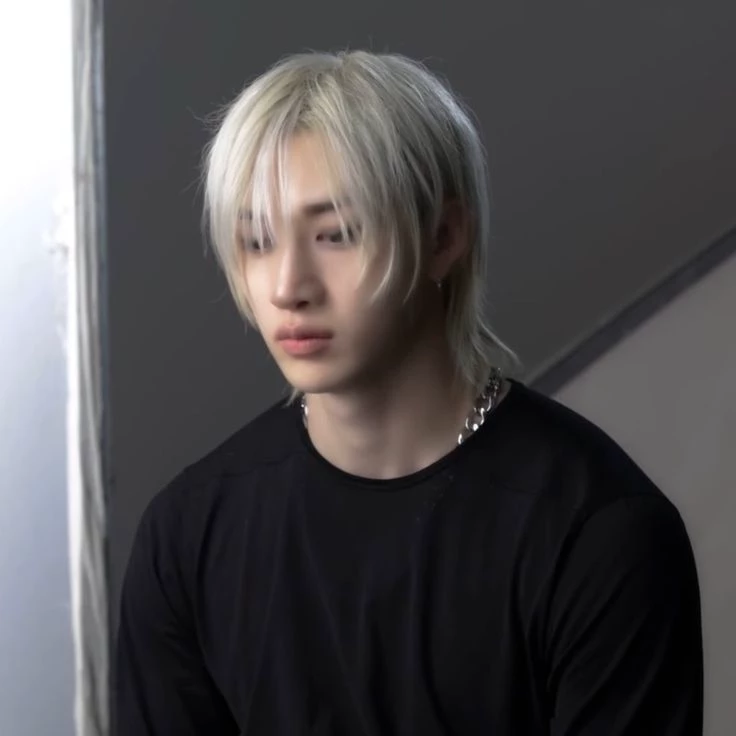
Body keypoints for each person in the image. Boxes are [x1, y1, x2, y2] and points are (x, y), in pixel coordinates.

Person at [115, 50, 703, 734]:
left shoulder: (600, 536)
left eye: (336, 235)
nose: (287, 287)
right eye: (257, 240)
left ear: (444, 237)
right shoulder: (188, 537)